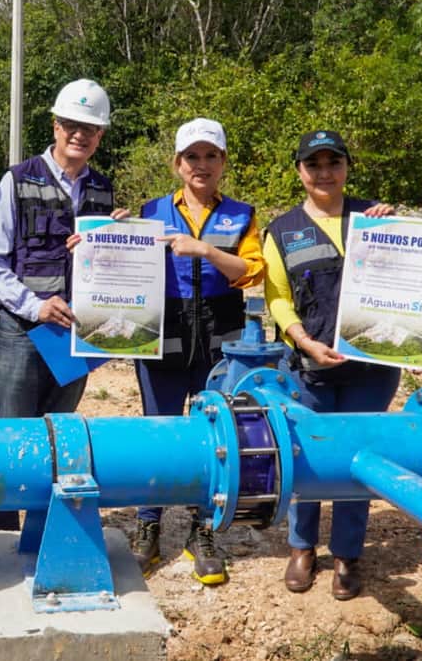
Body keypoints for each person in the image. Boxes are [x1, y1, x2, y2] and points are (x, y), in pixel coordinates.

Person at [0, 78, 123, 532]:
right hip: (21, 331)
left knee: (58, 436)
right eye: (71, 125)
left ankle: (41, 532)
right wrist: (34, 306)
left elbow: (108, 268)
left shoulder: (103, 190)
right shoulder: (18, 180)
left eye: (90, 128)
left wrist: (120, 238)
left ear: (100, 135)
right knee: (9, 436)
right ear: (55, 126)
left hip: (75, 334)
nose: (79, 134)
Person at [129, 118, 266, 585]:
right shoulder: (150, 212)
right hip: (164, 333)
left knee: (216, 433)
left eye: (210, 156)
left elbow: (251, 271)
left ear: (223, 162)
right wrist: (111, 234)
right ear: (177, 163)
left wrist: (205, 250)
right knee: (158, 429)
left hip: (219, 335)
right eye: (192, 156)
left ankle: (202, 529)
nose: (201, 165)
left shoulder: (242, 215)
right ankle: (148, 524)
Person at [263, 129, 399, 601]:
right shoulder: (282, 230)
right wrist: (303, 341)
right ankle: (302, 546)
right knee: (308, 454)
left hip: (372, 369)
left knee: (359, 457)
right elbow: (278, 299)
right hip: (309, 366)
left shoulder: (376, 218)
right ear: (299, 171)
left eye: (333, 162)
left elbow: (415, 271)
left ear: (346, 166)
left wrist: (398, 226)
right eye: (314, 164)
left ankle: (346, 554)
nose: (324, 173)